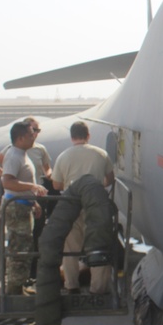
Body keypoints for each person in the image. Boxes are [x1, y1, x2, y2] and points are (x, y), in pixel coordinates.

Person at [52, 121, 115, 294]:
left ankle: (72, 285)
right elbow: (109, 179)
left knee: (70, 248)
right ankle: (99, 288)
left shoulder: (63, 156)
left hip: (71, 206)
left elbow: (57, 185)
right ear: (88, 136)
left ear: (72, 136)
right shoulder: (101, 154)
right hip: (95, 206)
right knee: (99, 245)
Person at [1, 121, 48, 295]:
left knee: (25, 248)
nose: (34, 136)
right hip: (17, 208)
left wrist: (33, 202)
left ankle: (19, 285)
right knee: (18, 250)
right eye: (30, 134)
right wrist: (34, 187)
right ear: (20, 138)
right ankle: (14, 290)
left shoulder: (22, 154)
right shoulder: (14, 155)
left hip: (23, 206)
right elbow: (7, 181)